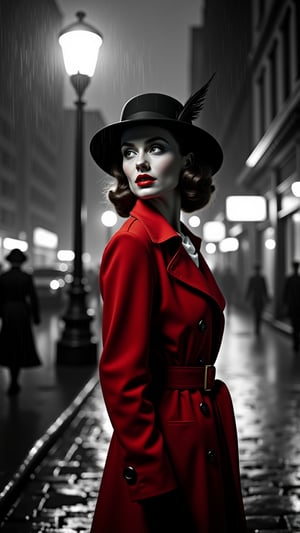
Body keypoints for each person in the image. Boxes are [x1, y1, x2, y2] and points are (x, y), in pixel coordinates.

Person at [89, 82, 247, 532]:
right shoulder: (134, 245)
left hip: (199, 429)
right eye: (128, 151)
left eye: (155, 147)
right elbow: (121, 377)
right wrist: (154, 479)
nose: (139, 161)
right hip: (165, 443)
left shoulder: (184, 244)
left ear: (187, 162)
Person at [0, 248, 41, 395]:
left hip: (8, 312)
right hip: (22, 312)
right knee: (20, 343)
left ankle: (12, 378)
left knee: (9, 343)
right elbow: (33, 298)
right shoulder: (26, 277)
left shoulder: (3, 277)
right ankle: (15, 379)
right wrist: (36, 317)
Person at [245, 264, 269, 336]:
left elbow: (249, 289)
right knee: (259, 313)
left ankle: (257, 327)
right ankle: (258, 327)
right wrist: (266, 298)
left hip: (255, 298)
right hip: (260, 298)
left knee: (256, 313)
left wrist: (247, 297)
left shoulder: (252, 278)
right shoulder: (262, 278)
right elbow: (265, 289)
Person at [283, 261, 300, 351]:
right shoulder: (293, 279)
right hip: (296, 305)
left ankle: (295, 342)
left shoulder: (290, 279)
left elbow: (285, 293)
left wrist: (285, 303)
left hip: (293, 305)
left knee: (294, 325)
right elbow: (286, 292)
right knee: (296, 324)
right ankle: (296, 342)